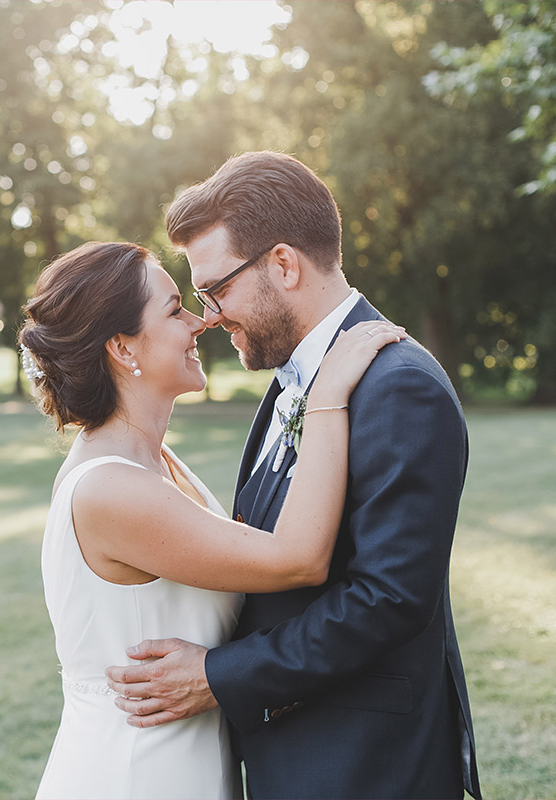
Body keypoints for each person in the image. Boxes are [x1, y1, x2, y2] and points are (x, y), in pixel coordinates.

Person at [105, 151, 482, 800]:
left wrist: (218, 676)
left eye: (215, 290)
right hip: (297, 754)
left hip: (369, 766)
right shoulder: (290, 382)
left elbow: (387, 600)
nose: (212, 316)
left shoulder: (399, 388)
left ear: (282, 265)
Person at [20, 240, 405, 800]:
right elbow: (297, 558)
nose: (202, 322)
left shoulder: (151, 461)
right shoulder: (112, 488)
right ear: (123, 347)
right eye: (175, 309)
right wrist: (327, 397)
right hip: (137, 773)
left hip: (187, 761)